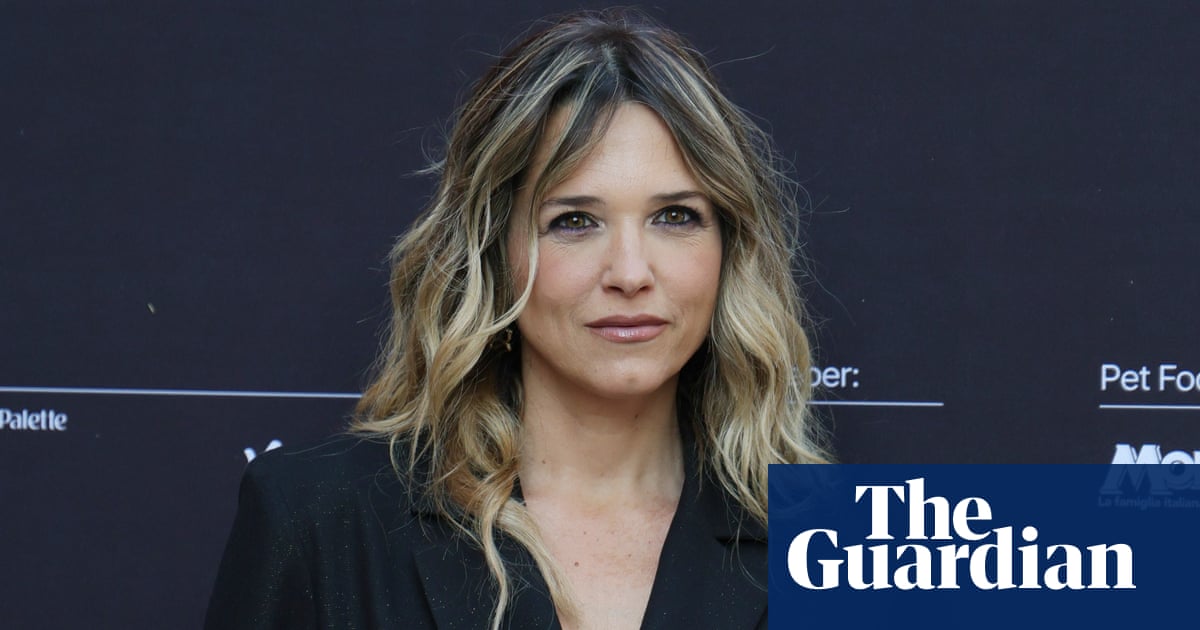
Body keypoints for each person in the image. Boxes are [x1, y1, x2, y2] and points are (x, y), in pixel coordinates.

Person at [205, 8, 829, 630]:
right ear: (491, 254)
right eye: (574, 222)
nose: (630, 272)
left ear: (729, 248)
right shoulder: (317, 520)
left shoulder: (841, 539)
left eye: (675, 217)